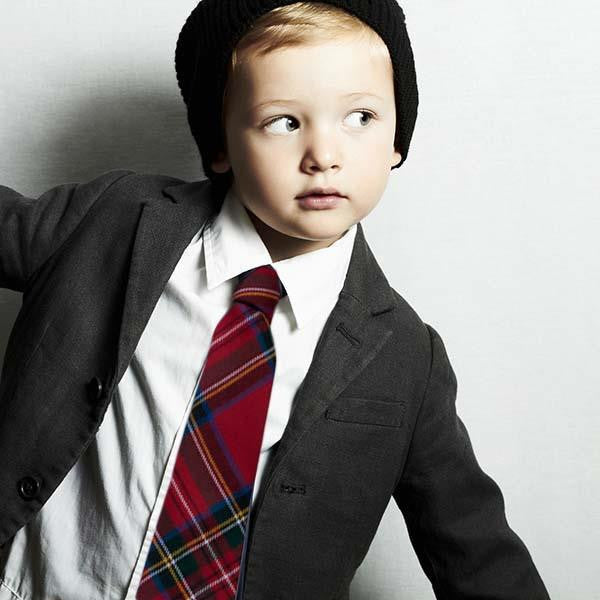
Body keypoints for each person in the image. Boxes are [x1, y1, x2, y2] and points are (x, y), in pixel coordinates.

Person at [0, 1, 551, 598]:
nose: (324, 155)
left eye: (360, 116)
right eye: (284, 121)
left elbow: (475, 550)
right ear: (222, 145)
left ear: (397, 138)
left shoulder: (406, 356)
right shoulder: (113, 220)